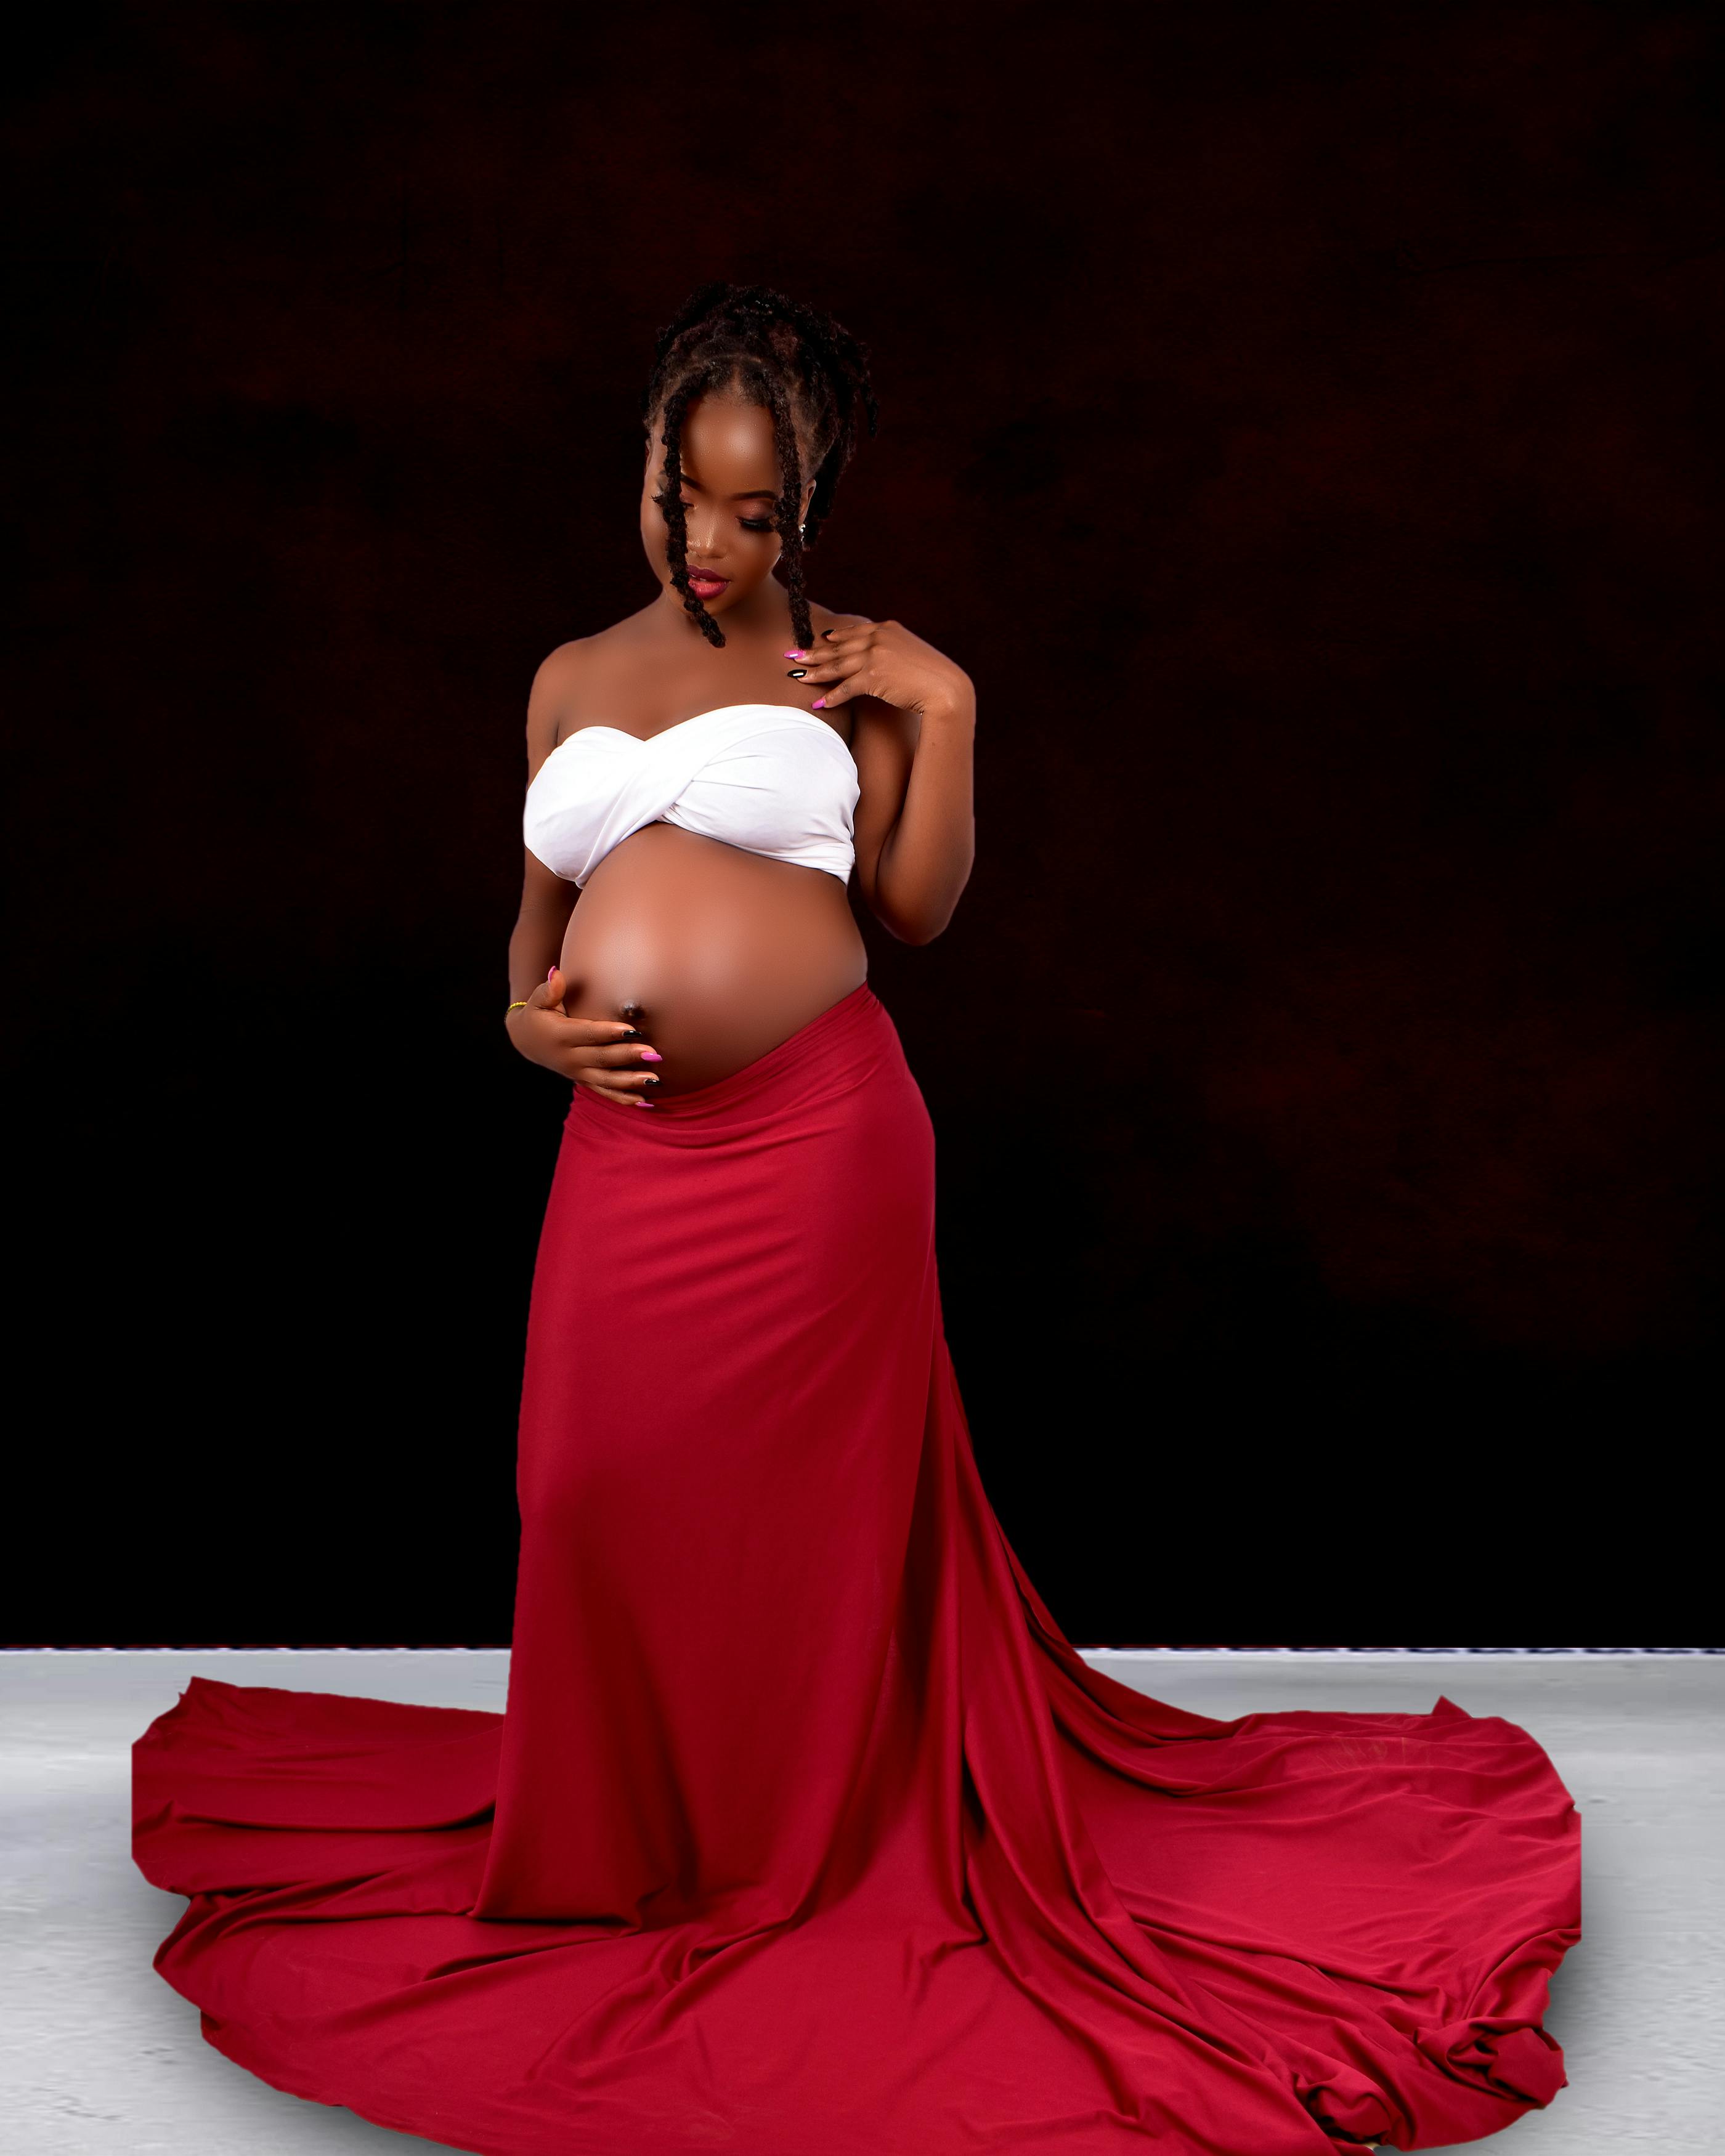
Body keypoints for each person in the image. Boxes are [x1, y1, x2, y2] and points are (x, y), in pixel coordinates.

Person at [134, 285, 1581, 2156]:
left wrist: (948, 705)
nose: (717, 548)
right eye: (689, 503)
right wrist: (521, 1018)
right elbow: (524, 929)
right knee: (590, 1486)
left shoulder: (848, 673)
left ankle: (806, 1854)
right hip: (634, 1159)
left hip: (816, 1148)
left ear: (805, 509)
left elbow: (917, 908)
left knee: (805, 1531)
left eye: (760, 517)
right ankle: (639, 1845)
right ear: (645, 469)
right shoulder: (567, 676)